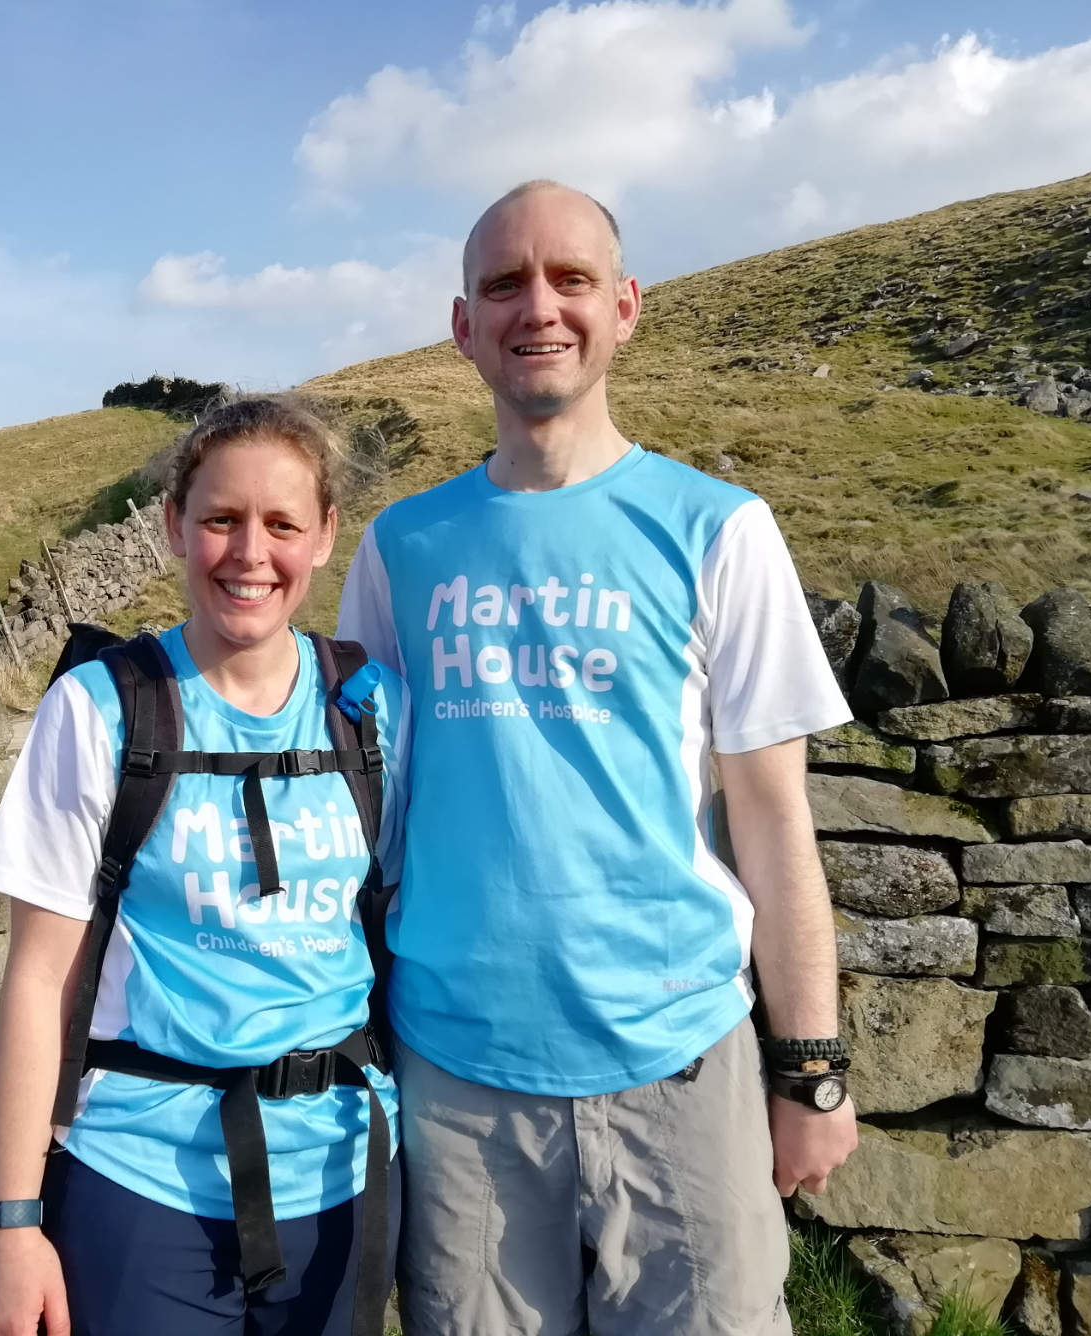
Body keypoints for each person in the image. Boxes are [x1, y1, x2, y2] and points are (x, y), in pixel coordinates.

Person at [337, 180, 858, 1335]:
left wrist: (810, 1070)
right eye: (504, 283)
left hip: (679, 1063)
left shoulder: (721, 528)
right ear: (462, 325)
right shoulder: (400, 546)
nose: (541, 306)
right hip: (458, 1081)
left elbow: (773, 823)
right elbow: (355, 796)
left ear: (624, 307)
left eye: (571, 278)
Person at [0, 396, 408, 1336]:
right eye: (221, 519)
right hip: (139, 1182)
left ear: (326, 535)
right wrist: (9, 1225)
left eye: (282, 523)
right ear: (175, 523)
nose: (251, 553)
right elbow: (38, 978)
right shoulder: (100, 710)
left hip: (342, 1176)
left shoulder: (371, 714)